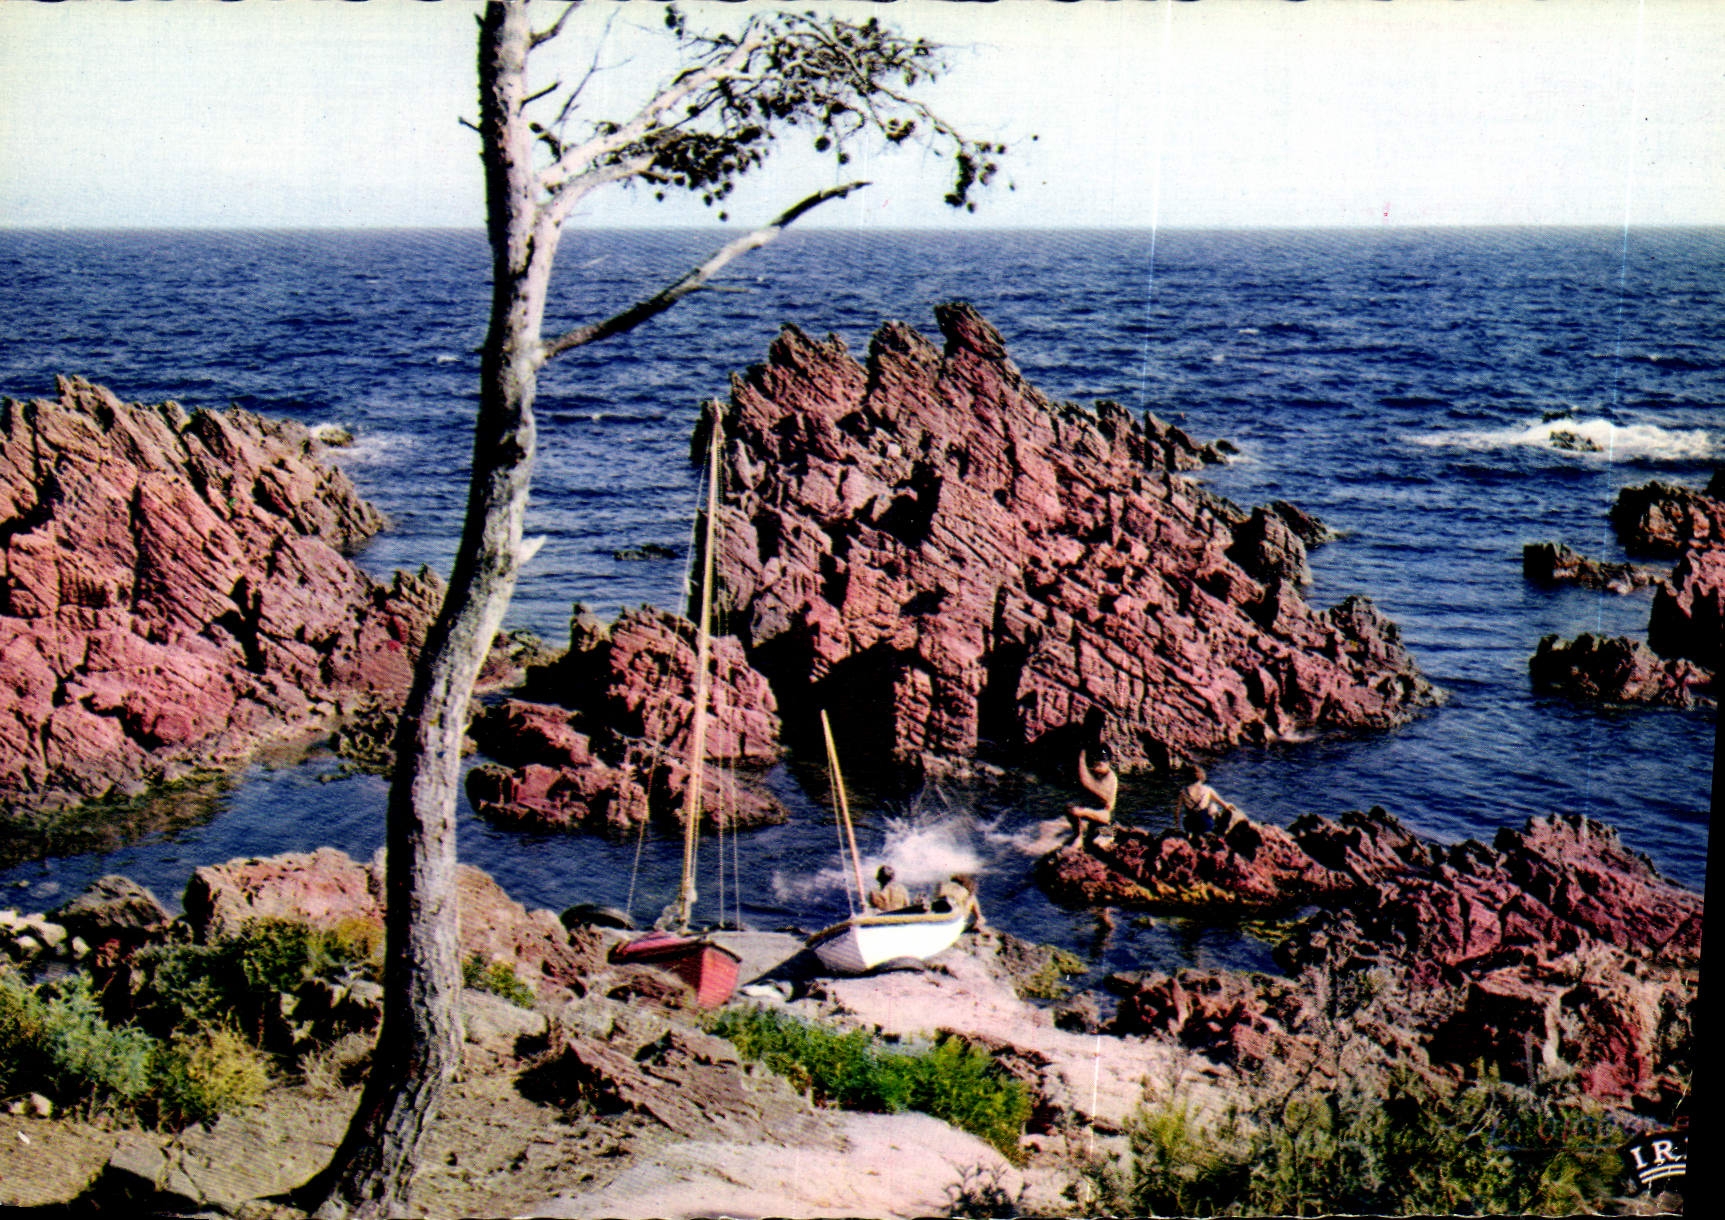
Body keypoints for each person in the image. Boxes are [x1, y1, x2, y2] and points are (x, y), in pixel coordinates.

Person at [1066, 746, 1118, 850]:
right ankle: (1079, 835)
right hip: (1095, 810)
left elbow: (1088, 784)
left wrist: (1081, 759)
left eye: (1100, 764)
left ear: (1108, 764)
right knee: (1070, 806)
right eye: (1096, 763)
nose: (1097, 767)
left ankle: (1087, 837)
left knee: (1076, 811)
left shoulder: (1110, 778)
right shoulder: (1098, 774)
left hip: (1105, 815)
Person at [1176, 765, 1238, 835]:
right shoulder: (1208, 790)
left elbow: (1177, 813)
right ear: (1202, 776)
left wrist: (1177, 828)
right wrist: (1230, 805)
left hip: (1190, 825)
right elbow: (1225, 805)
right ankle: (1220, 833)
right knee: (1216, 807)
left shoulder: (1183, 792)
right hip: (1205, 824)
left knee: (1205, 810)